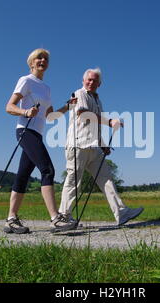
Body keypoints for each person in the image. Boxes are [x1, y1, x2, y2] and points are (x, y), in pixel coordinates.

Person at [4, 48, 77, 234]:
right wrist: (25, 112)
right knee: (47, 169)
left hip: (37, 133)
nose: (43, 60)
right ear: (31, 62)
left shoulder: (46, 88)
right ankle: (55, 219)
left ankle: (11, 219)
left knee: (22, 176)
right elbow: (9, 106)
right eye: (39, 57)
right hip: (25, 131)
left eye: (45, 58)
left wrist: (68, 107)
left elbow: (50, 116)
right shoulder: (25, 80)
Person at [59, 68, 144, 226]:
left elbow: (94, 125)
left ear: (100, 83)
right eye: (89, 79)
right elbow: (84, 114)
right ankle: (64, 216)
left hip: (93, 147)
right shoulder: (80, 93)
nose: (91, 82)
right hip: (78, 145)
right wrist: (110, 121)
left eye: (95, 80)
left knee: (107, 179)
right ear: (83, 81)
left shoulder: (98, 100)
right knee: (73, 181)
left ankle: (121, 212)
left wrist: (103, 144)